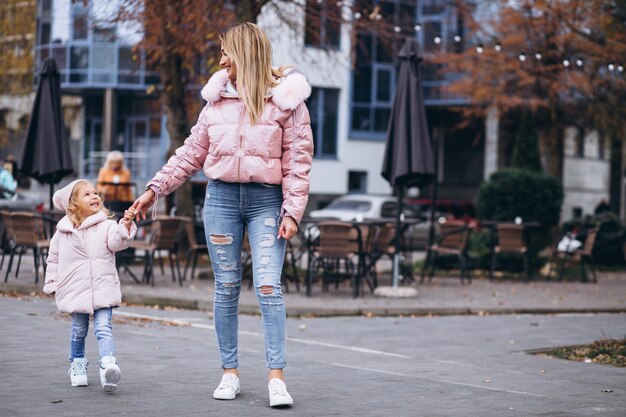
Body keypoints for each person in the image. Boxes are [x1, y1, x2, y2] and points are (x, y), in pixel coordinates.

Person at [131, 22, 313, 407]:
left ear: (244, 53)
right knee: (226, 287)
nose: (220, 59)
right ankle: (229, 373)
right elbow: (189, 154)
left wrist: (292, 211)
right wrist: (153, 190)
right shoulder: (216, 103)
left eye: (226, 51)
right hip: (221, 201)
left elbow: (298, 161)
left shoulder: (287, 102)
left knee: (268, 286)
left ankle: (276, 377)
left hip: (267, 201)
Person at [43, 179, 137, 392]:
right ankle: (77, 365)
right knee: (78, 329)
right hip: (76, 288)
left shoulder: (107, 225)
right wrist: (51, 282)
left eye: (95, 193)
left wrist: (126, 225)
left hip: (102, 286)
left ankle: (108, 365)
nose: (94, 196)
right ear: (73, 204)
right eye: (87, 194)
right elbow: (54, 258)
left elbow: (117, 242)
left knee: (104, 327)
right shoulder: (63, 232)